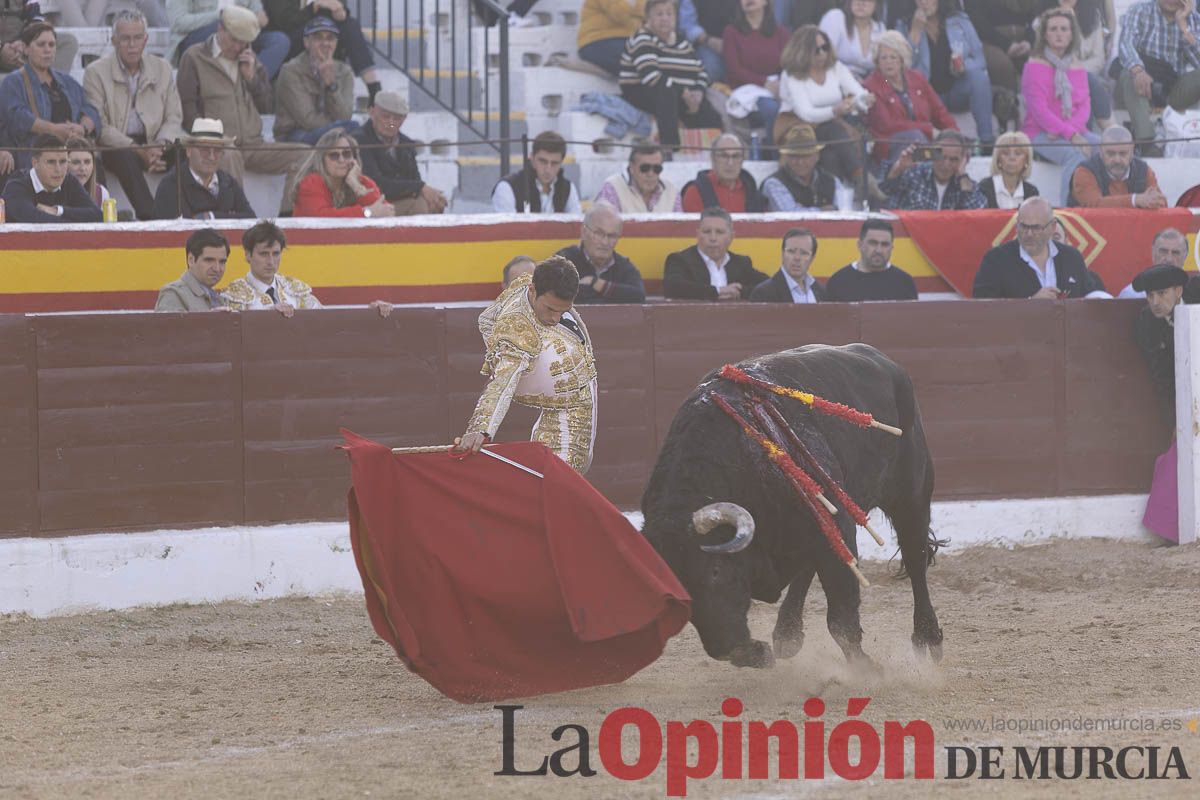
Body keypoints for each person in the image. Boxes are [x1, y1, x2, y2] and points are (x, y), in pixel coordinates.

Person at [452, 256, 599, 474]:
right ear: (532, 291)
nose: (556, 318)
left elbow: (486, 318)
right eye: (550, 309)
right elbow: (502, 382)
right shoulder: (517, 328)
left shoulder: (527, 282)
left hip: (575, 403)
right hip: (564, 418)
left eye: (563, 310)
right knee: (559, 482)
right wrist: (480, 429)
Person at [177, 5, 306, 215]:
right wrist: (211, 139)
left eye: (244, 42)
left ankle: (287, 216)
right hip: (218, 146)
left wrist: (252, 79)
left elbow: (266, 105)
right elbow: (187, 112)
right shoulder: (194, 57)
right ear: (220, 29)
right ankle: (235, 217)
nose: (238, 47)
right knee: (230, 155)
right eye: (234, 39)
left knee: (305, 154)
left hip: (254, 145)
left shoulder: (249, 58)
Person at [83, 10, 183, 221]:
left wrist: (160, 146)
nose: (132, 44)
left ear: (146, 40)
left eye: (137, 37)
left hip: (156, 141)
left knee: (185, 152)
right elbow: (100, 124)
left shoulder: (162, 68)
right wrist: (140, 151)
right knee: (123, 156)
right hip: (119, 145)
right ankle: (151, 217)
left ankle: (183, 215)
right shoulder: (95, 72)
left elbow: (174, 116)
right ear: (114, 41)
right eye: (125, 38)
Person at [222, 219, 393, 317]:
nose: (271, 261)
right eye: (264, 254)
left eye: (275, 253)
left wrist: (369, 314)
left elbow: (327, 322)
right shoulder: (234, 295)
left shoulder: (295, 289)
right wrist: (268, 316)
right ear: (248, 255)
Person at [618, 0, 722, 152]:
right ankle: (669, 149)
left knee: (709, 113)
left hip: (680, 94)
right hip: (643, 91)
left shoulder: (683, 43)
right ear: (648, 18)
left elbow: (701, 72)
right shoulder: (643, 38)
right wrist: (684, 94)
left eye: (669, 14)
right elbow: (651, 76)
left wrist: (698, 91)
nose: (665, 18)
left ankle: (712, 153)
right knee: (666, 93)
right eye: (659, 14)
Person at [777, 24, 872, 186]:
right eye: (816, 50)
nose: (822, 53)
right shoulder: (792, 74)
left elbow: (858, 92)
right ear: (803, 51)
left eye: (825, 47)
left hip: (830, 129)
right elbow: (806, 113)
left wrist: (863, 100)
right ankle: (862, 179)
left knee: (830, 156)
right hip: (797, 128)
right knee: (833, 129)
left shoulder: (835, 67)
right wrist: (835, 111)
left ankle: (837, 198)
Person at [1022, 7, 1099, 205]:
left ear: (1072, 34)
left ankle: (1101, 204)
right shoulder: (1034, 64)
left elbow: (1085, 106)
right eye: (1053, 29)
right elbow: (1039, 111)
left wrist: (1070, 133)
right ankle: (1068, 211)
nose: (1059, 34)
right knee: (1074, 154)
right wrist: (1070, 135)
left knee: (1106, 146)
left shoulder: (1077, 65)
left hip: (1071, 131)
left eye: (1064, 29)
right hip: (1040, 133)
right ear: (1045, 34)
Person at [0, 21, 100, 170]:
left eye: (52, 45)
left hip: (71, 152)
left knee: (92, 164)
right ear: (26, 49)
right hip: (36, 154)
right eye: (41, 45)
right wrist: (54, 130)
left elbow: (91, 110)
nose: (47, 50)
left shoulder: (67, 81)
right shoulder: (14, 81)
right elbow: (17, 117)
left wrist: (82, 128)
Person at [897, 0, 995, 145]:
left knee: (979, 77)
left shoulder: (959, 21)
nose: (924, 3)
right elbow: (901, 69)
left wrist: (963, 66)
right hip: (926, 96)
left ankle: (987, 142)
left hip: (956, 91)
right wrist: (915, 33)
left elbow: (980, 60)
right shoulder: (903, 26)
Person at [1116, 0, 1200, 156]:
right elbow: (1125, 44)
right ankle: (1147, 143)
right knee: (1129, 75)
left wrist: (1184, 27)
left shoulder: (1193, 18)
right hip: (1139, 83)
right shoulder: (1140, 10)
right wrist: (1138, 70)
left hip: (1172, 89)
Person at [862, 30, 958, 167]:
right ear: (877, 61)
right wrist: (928, 129)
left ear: (902, 60)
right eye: (884, 58)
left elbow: (939, 111)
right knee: (915, 137)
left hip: (924, 141)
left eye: (893, 57)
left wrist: (954, 136)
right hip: (891, 146)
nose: (888, 62)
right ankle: (929, 172)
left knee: (950, 148)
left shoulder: (916, 78)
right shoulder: (871, 85)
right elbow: (888, 125)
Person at [262, 0, 383, 103]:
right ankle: (325, 91)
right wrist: (314, 7)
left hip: (314, 28)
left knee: (349, 25)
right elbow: (285, 21)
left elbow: (335, 5)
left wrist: (340, 12)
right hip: (287, 39)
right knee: (322, 33)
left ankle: (374, 88)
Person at [973, 197, 1090, 299]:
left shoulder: (1072, 257)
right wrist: (1031, 303)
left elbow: (1091, 295)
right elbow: (983, 308)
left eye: (1036, 228)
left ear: (1053, 227)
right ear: (1016, 225)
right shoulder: (996, 260)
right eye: (1023, 227)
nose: (1029, 234)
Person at [354, 91, 447, 215]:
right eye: (385, 117)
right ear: (372, 113)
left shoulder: (406, 143)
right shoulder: (359, 140)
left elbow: (414, 178)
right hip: (369, 206)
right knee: (419, 206)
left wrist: (424, 192)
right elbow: (375, 184)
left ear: (404, 120)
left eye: (397, 119)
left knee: (435, 202)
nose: (391, 123)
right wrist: (419, 187)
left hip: (398, 201)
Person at [273, 15, 357, 145]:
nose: (325, 43)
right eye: (318, 38)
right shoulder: (290, 71)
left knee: (356, 133)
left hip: (332, 131)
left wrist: (331, 84)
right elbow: (308, 120)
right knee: (351, 130)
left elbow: (345, 115)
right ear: (307, 43)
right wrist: (339, 127)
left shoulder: (345, 72)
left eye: (330, 38)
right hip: (294, 134)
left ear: (336, 43)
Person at [154, 117, 255, 220]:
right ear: (189, 151)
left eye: (217, 150)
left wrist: (211, 216)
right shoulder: (171, 184)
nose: (211, 157)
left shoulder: (228, 182)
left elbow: (250, 218)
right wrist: (227, 216)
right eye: (204, 150)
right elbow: (179, 228)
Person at [1036, 0, 1116, 131]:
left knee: (1085, 80)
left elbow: (1098, 59)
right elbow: (1045, 55)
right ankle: (1110, 128)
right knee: (1088, 82)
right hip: (1053, 74)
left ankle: (1100, 134)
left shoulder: (1093, 16)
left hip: (1085, 73)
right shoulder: (1043, 19)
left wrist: (1077, 70)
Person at [1131, 262, 1192, 425]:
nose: (1155, 302)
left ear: (1178, 291)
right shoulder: (1145, 324)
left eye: (1161, 293)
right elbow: (1163, 377)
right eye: (1150, 295)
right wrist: (1177, 421)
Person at [663, 207, 768, 300]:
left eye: (720, 232)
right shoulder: (680, 260)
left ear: (731, 236)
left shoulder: (741, 263)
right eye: (707, 231)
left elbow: (767, 285)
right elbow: (673, 287)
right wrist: (717, 292)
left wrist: (739, 292)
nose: (713, 238)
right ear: (698, 234)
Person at [167, 0, 290, 80]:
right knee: (219, 26)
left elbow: (261, 17)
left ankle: (251, 84)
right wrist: (222, 15)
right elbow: (178, 22)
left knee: (279, 41)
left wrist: (253, 18)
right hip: (198, 39)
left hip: (241, 35)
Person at [722, 0, 790, 145]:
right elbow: (735, 70)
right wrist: (764, 83)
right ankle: (775, 158)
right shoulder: (731, 32)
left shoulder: (781, 32)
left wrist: (780, 85)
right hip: (747, 90)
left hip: (776, 86)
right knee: (771, 109)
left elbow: (789, 66)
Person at [292, 127, 394, 218]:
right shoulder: (311, 183)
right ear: (322, 160)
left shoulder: (361, 181)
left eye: (347, 154)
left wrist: (356, 186)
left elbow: (387, 211)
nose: (341, 160)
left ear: (354, 158)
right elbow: (322, 218)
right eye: (334, 155)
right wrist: (367, 213)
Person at [555, 204, 647, 304]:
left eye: (612, 236)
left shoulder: (623, 266)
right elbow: (558, 294)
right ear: (584, 232)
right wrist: (614, 295)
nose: (605, 242)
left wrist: (596, 283)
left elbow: (638, 297)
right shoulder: (564, 260)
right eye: (598, 233)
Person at [0, 132, 101, 222]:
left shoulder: (68, 180)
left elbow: (97, 215)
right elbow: (35, 220)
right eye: (51, 162)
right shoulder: (16, 185)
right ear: (35, 163)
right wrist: (74, 220)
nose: (58, 169)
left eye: (63, 161)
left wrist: (57, 211)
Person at [880, 129, 986, 210]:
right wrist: (899, 167)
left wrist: (962, 175)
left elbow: (979, 214)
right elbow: (885, 190)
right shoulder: (915, 174)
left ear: (963, 160)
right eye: (941, 157)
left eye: (953, 159)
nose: (946, 164)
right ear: (932, 152)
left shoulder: (966, 184)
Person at [1067, 124, 1167, 208]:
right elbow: (1094, 205)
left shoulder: (1144, 171)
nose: (1117, 160)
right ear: (1101, 151)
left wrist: (1154, 201)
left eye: (1123, 153)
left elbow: (1162, 203)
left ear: (1132, 151)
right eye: (1110, 154)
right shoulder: (1084, 172)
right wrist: (1135, 200)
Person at [825, 219, 918, 301]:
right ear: (859, 245)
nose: (879, 250)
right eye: (873, 243)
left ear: (892, 248)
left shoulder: (905, 283)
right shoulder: (838, 282)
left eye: (885, 244)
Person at [492, 130, 582, 214]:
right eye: (543, 161)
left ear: (561, 162)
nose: (548, 169)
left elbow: (577, 225)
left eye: (554, 163)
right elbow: (508, 229)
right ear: (532, 158)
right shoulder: (507, 187)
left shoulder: (568, 188)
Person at [963, 0, 1038, 95]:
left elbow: (1035, 19)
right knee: (1002, 65)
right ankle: (1009, 104)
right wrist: (1006, 45)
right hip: (989, 39)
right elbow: (977, 21)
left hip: (1024, 37)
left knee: (1041, 61)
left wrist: (1029, 42)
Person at [760, 123, 837, 211]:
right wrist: (823, 211)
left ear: (817, 156)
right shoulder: (773, 183)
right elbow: (790, 215)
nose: (800, 162)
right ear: (787, 157)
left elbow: (844, 211)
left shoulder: (832, 181)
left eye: (805, 156)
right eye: (794, 156)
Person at [681, 133, 765, 212]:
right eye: (724, 156)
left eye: (736, 156)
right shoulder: (695, 192)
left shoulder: (753, 194)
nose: (730, 163)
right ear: (713, 158)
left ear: (743, 160)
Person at [594, 139, 682, 213]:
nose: (650, 174)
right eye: (645, 168)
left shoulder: (672, 192)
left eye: (657, 169)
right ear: (632, 168)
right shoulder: (613, 187)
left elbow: (680, 230)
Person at [155, 227, 231, 312]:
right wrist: (209, 321)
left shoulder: (219, 298)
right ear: (191, 260)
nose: (217, 269)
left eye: (222, 262)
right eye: (209, 260)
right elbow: (169, 325)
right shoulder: (173, 294)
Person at [750, 226, 827, 302]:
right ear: (783, 254)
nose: (797, 258)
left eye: (804, 253)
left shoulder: (821, 291)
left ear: (812, 258)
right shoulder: (763, 293)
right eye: (791, 251)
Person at [819, 0, 886, 80]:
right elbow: (822, 58)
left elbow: (884, 65)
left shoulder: (880, 28)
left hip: (867, 85)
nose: (861, 3)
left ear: (876, 4)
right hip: (834, 80)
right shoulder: (835, 18)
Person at [578, 0, 646, 76]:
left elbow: (649, 16)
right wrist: (636, 11)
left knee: (652, 57)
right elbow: (619, 14)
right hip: (597, 42)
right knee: (639, 61)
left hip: (627, 41)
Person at [1118, 228, 1190, 298]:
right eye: (1163, 251)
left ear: (1185, 256)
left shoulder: (1194, 293)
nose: (1169, 259)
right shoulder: (1132, 294)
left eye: (1175, 253)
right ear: (1153, 253)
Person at [980, 130, 1040, 209]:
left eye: (1018, 153)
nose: (1012, 158)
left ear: (1026, 160)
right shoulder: (984, 187)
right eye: (1005, 153)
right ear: (998, 159)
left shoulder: (1031, 192)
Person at [680, 0, 736, 83]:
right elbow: (687, 25)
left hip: (739, 43)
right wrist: (708, 40)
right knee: (710, 70)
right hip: (708, 44)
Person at [65, 136, 108, 208]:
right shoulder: (52, 192)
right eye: (76, 162)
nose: (82, 168)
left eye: (87, 162)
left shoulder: (101, 192)